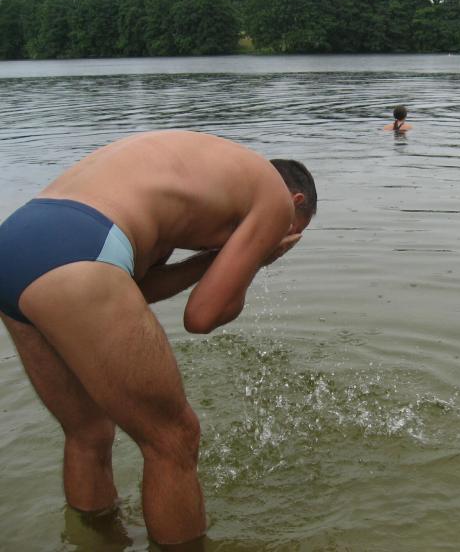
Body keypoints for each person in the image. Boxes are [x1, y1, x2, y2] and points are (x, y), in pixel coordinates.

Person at [0, 130, 317, 546]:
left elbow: (134, 288)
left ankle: (98, 542)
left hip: (18, 241)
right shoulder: (275, 199)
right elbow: (202, 317)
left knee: (89, 433)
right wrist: (257, 258)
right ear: (295, 202)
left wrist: (211, 261)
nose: (280, 238)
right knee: (173, 439)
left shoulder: (200, 181)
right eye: (291, 233)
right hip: (82, 248)